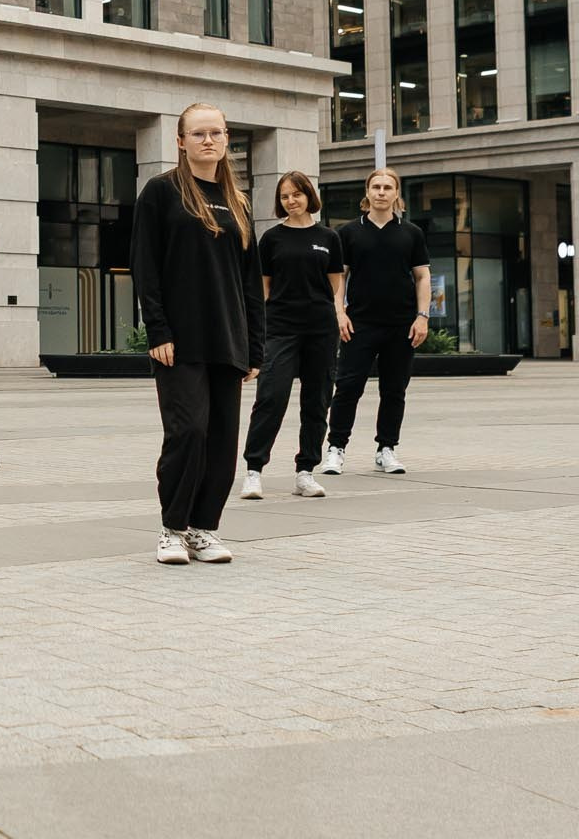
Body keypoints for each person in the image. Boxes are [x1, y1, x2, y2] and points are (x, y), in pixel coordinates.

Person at [132, 102, 263, 565]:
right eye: (199, 133)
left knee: (223, 439)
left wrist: (255, 348)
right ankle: (172, 528)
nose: (209, 141)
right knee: (188, 431)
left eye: (217, 133)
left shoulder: (239, 202)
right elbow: (146, 268)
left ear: (227, 139)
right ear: (181, 141)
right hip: (179, 342)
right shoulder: (161, 193)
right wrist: (158, 330)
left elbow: (250, 282)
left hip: (228, 339)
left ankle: (204, 529)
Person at [241, 170, 345, 501]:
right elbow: (264, 287)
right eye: (285, 196)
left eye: (296, 194)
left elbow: (334, 282)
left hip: (320, 329)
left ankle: (305, 472)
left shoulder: (329, 237)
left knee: (317, 401)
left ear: (308, 196)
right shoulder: (271, 238)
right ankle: (254, 471)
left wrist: (328, 310)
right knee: (271, 397)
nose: (291, 200)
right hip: (281, 327)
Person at [323, 168, 429, 476]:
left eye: (388, 187)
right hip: (360, 323)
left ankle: (386, 449)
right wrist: (339, 312)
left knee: (394, 390)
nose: (381, 192)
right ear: (367, 193)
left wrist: (422, 317)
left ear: (397, 194)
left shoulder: (411, 233)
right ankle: (335, 449)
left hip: (402, 325)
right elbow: (338, 276)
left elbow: (422, 277)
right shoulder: (348, 233)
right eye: (376, 187)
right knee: (347, 387)